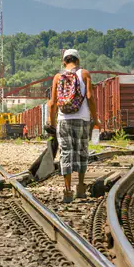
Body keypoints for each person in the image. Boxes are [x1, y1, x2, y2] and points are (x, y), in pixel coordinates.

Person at [48, 49, 95, 204]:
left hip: (63, 119)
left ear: (64, 62)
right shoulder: (84, 74)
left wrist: (52, 122)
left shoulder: (57, 77)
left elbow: (53, 102)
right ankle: (80, 188)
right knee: (82, 150)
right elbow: (89, 97)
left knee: (66, 152)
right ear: (78, 61)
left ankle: (67, 190)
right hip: (82, 119)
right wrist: (95, 117)